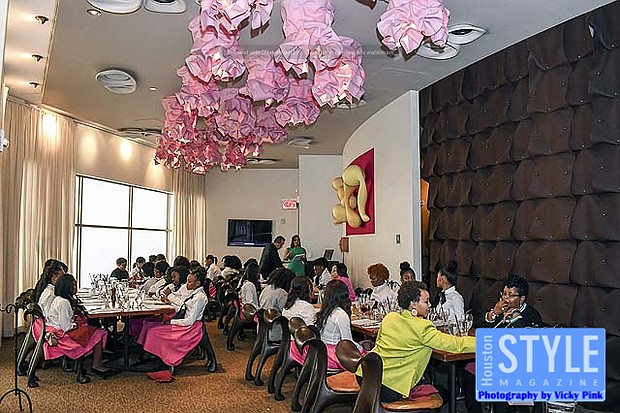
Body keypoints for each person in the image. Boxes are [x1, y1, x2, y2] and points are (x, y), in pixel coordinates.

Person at [359, 281, 475, 403]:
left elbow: (378, 345)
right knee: (443, 394)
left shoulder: (390, 317)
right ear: (413, 304)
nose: (430, 305)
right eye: (426, 302)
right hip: (388, 387)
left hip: (365, 376)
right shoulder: (422, 327)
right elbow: (455, 344)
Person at [464, 275, 543, 413]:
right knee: (469, 370)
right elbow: (477, 326)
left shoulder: (530, 315)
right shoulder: (501, 310)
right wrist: (493, 313)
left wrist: (516, 317)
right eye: (504, 294)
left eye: (511, 295)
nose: (505, 298)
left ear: (522, 299)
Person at [139, 270, 208, 368]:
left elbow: (190, 320)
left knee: (153, 331)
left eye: (189, 282)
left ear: (198, 283)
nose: (186, 284)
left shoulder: (199, 297)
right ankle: (159, 355)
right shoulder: (192, 292)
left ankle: (166, 359)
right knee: (152, 328)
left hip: (190, 327)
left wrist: (171, 321)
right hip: (183, 322)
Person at [46, 274, 109, 382]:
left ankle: (96, 362)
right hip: (63, 335)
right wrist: (75, 324)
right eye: (73, 286)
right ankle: (97, 364)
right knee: (99, 333)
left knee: (93, 329)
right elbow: (66, 327)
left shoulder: (59, 299)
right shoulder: (64, 303)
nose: (75, 288)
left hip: (58, 330)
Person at [314, 279, 358, 370]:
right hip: (335, 355)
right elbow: (348, 343)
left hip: (322, 351)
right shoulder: (340, 315)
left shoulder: (326, 310)